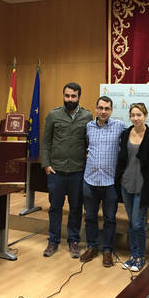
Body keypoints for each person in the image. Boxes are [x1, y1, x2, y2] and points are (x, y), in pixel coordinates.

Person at [40, 82, 93, 258]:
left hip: (77, 171)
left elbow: (89, 143)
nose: (70, 99)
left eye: (73, 96)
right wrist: (46, 165)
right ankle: (53, 241)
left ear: (79, 97)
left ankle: (74, 241)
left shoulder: (87, 116)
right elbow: (46, 142)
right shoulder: (53, 115)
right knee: (55, 208)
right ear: (63, 96)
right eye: (67, 96)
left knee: (76, 209)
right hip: (56, 171)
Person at [80, 96, 126, 267]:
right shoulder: (88, 127)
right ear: (96, 109)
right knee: (90, 217)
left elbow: (136, 135)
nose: (103, 111)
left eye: (107, 108)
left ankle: (107, 250)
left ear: (111, 110)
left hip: (110, 182)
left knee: (109, 218)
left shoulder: (120, 126)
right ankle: (92, 247)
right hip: (90, 180)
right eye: (100, 108)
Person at [115, 103, 149, 272]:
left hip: (142, 185)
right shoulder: (125, 134)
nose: (136, 118)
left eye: (139, 115)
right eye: (133, 115)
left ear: (145, 116)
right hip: (126, 183)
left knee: (138, 223)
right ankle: (134, 255)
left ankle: (140, 257)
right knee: (132, 222)